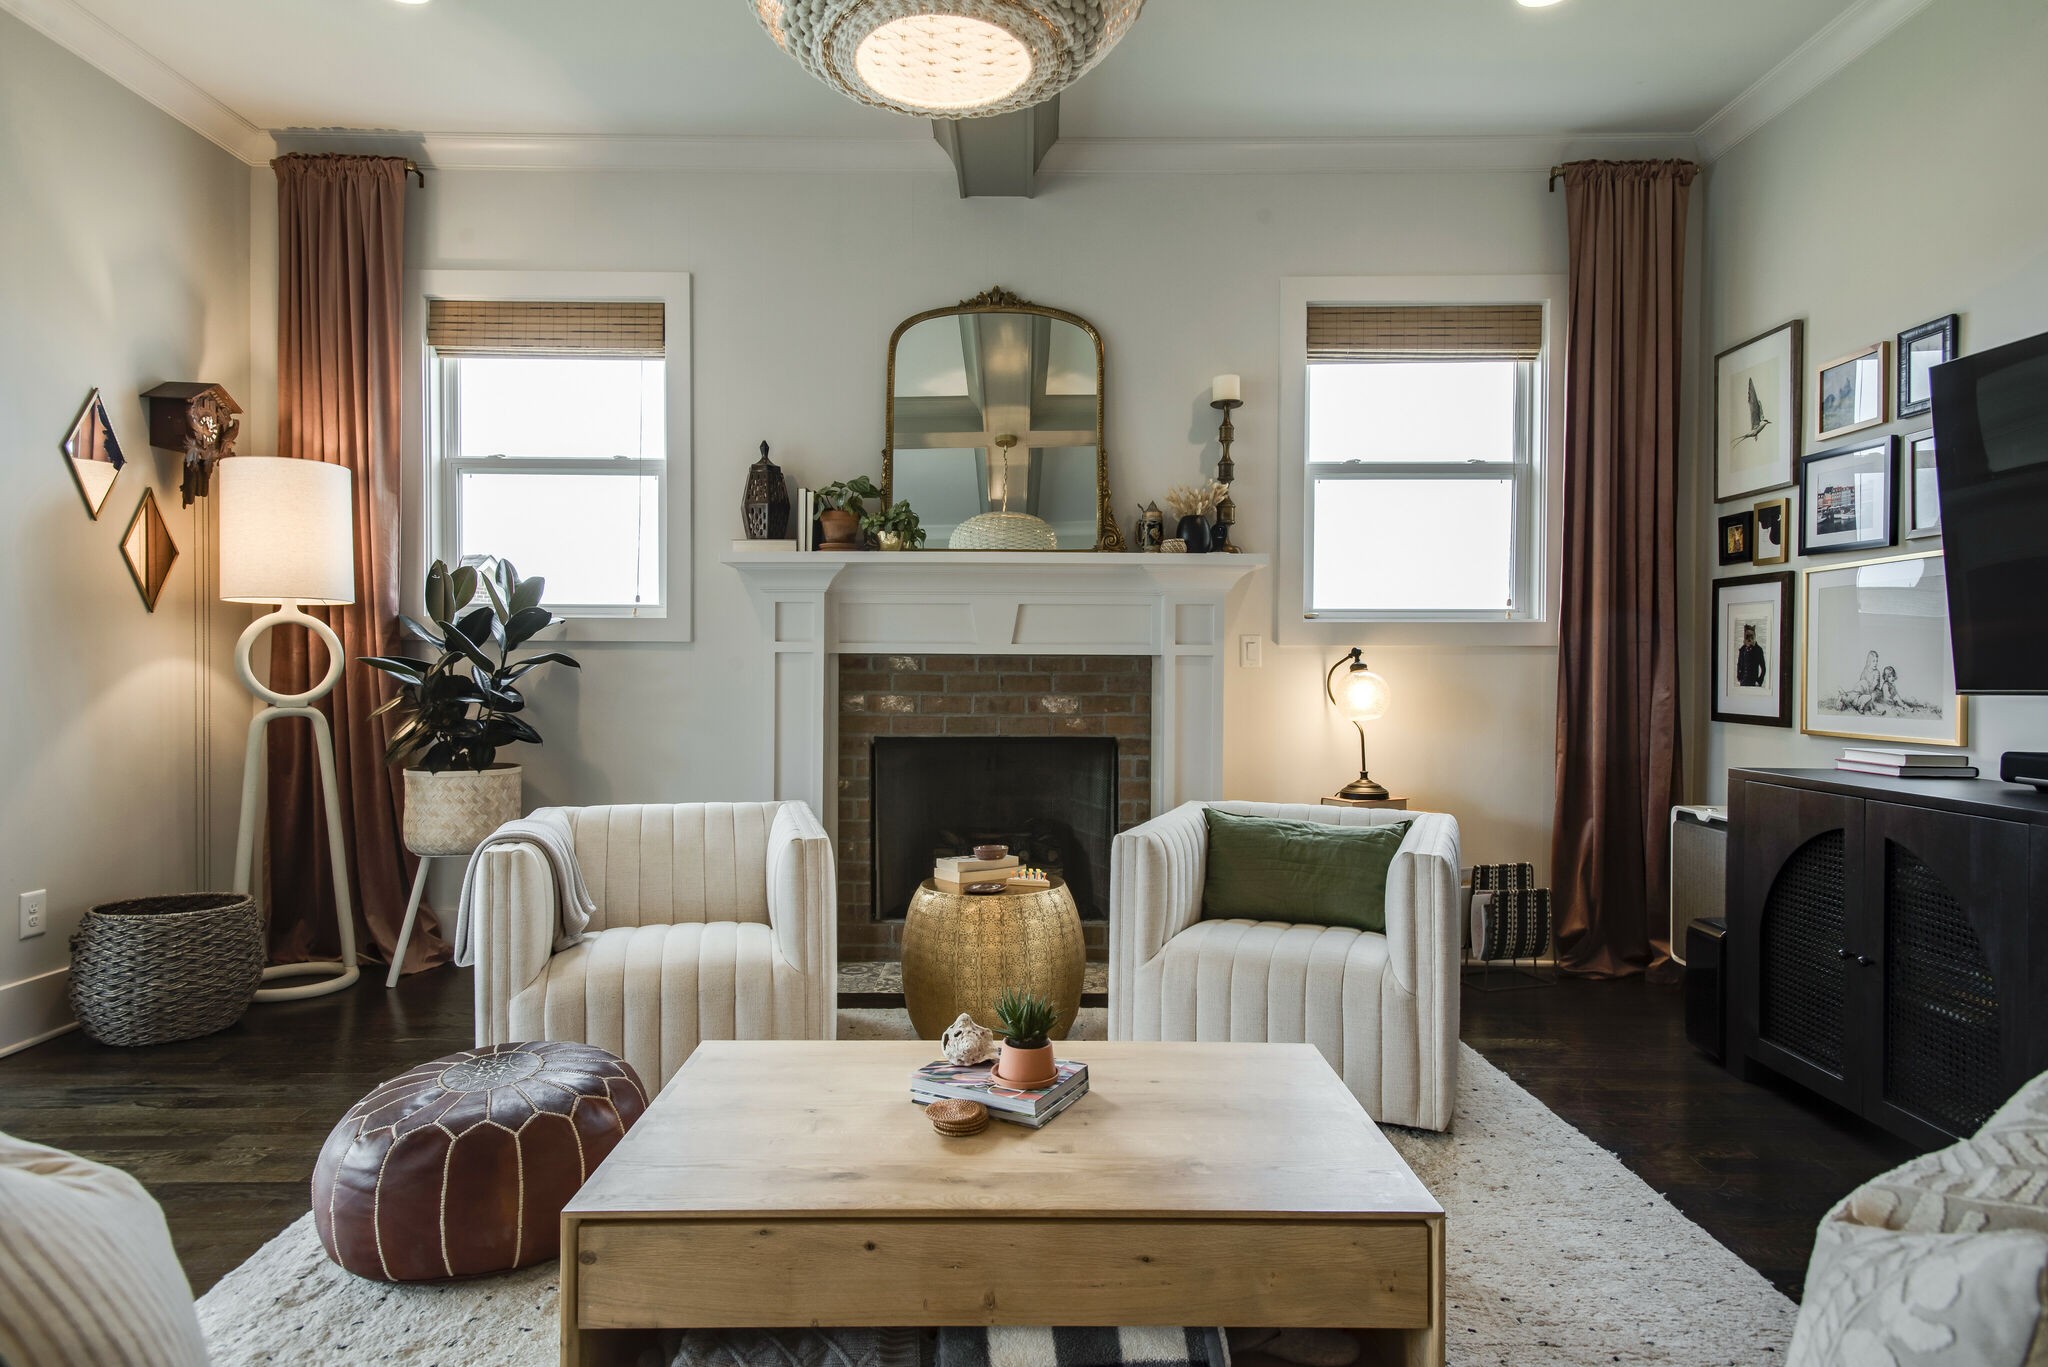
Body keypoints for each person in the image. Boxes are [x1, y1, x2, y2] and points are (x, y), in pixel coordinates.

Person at [1736, 623, 1767, 688]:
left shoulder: (1758, 650)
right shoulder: (1742, 649)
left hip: (1754, 683)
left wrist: (1759, 681)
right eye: (1747, 636)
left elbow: (1763, 668)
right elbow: (1739, 664)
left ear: (1754, 636)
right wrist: (1739, 677)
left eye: (1751, 636)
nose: (1749, 639)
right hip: (1743, 683)